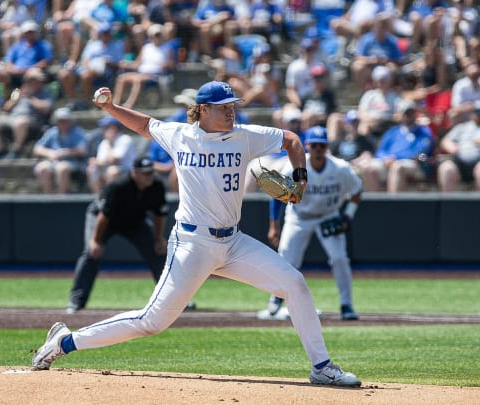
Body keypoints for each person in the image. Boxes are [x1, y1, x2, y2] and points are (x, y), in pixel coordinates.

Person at [31, 81, 362, 388]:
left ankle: (322, 367)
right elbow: (144, 125)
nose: (231, 110)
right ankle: (65, 341)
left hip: (233, 243)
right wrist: (111, 107)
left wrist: (301, 179)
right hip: (192, 244)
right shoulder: (180, 135)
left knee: (295, 284)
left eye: (233, 104)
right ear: (203, 109)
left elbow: (291, 139)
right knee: (151, 322)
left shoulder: (246, 136)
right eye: (223, 106)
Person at [256, 126, 363, 321]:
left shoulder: (340, 168)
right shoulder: (293, 166)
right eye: (314, 146)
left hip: (328, 216)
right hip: (299, 217)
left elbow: (357, 190)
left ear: (327, 147)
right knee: (286, 259)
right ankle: (275, 302)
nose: (318, 150)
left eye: (322, 146)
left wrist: (347, 216)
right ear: (307, 146)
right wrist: (274, 225)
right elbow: (277, 197)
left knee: (340, 259)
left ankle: (347, 305)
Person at [67, 157, 171, 313]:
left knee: (159, 251)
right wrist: (96, 241)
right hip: (104, 221)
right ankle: (76, 300)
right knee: (91, 253)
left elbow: (159, 214)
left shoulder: (156, 186)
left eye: (151, 173)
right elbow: (104, 215)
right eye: (145, 173)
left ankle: (172, 299)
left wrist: (158, 238)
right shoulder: (119, 186)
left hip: (135, 221)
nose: (149, 176)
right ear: (134, 173)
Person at [353, 101, 435, 192]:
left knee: (397, 167)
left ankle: (393, 204)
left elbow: (421, 152)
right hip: (388, 162)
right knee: (367, 167)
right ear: (399, 115)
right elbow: (380, 151)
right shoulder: (392, 131)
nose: (409, 115)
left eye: (411, 113)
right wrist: (385, 158)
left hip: (416, 164)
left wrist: (395, 158)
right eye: (406, 113)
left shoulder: (424, 130)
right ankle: (376, 203)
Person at [0, 67, 54, 159]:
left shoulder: (45, 92)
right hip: (12, 117)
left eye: (35, 80)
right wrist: (16, 99)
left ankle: (17, 150)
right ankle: (1, 148)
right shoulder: (18, 91)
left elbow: (47, 109)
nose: (33, 83)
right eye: (30, 81)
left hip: (31, 120)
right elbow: (6, 108)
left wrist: (31, 98)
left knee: (20, 122)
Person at [32, 107, 88, 194]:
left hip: (73, 162)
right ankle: (48, 198)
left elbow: (82, 150)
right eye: (60, 121)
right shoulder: (52, 132)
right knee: (42, 168)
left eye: (65, 120)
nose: (62, 123)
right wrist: (50, 153)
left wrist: (65, 153)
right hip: (53, 161)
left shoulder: (77, 132)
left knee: (62, 168)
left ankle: (62, 198)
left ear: (70, 121)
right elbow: (37, 148)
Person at [86, 116, 138, 195]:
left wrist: (110, 143)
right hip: (108, 168)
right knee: (92, 169)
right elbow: (100, 160)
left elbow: (113, 160)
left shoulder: (125, 139)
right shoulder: (104, 142)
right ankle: (98, 196)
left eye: (107, 127)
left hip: (128, 170)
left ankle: (109, 196)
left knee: (112, 171)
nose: (104, 129)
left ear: (115, 128)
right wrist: (95, 163)